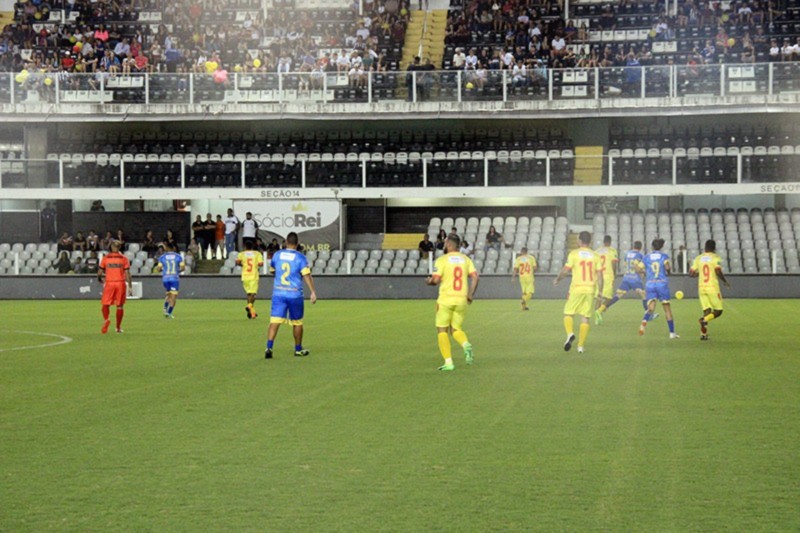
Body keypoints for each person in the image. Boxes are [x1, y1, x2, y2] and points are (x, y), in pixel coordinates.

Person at [425, 233, 478, 371]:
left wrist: (429, 281)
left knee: (442, 330)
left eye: (445, 242)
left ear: (448, 244)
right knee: (456, 329)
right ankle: (465, 344)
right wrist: (470, 294)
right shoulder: (466, 259)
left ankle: (448, 362)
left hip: (445, 300)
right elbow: (475, 277)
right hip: (461, 300)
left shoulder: (442, 260)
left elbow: (435, 280)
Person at [264, 232, 318, 359]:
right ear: (297, 244)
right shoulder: (300, 257)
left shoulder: (277, 255)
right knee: (297, 322)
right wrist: (313, 291)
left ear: (286, 242)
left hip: (279, 293)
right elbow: (306, 275)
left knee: (274, 321)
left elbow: (273, 271)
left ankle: (269, 348)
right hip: (294, 294)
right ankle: (298, 349)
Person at [554, 231, 602, 353]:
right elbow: (600, 276)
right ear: (590, 241)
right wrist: (600, 291)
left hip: (577, 288)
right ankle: (580, 346)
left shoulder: (574, 254)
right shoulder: (596, 256)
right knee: (585, 317)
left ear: (579, 241)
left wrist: (558, 279)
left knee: (568, 313)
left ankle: (570, 333)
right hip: (590, 289)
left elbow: (565, 270)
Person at [596, 240, 656, 321]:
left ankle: (600, 310)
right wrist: (643, 272)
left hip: (626, 278)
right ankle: (649, 315)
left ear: (633, 246)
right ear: (640, 247)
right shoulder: (639, 255)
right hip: (635, 280)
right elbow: (636, 266)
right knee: (644, 296)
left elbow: (625, 265)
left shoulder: (627, 254)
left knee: (617, 296)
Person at [689, 239, 731, 341]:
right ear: (714, 248)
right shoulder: (715, 258)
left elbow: (691, 273)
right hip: (712, 287)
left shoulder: (699, 258)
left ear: (705, 247)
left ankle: (703, 334)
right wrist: (725, 281)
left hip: (701, 288)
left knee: (707, 310)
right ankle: (703, 320)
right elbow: (718, 270)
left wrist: (699, 274)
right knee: (718, 311)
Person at [638, 238, 679, 338]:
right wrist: (668, 272)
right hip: (661, 284)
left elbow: (638, 268)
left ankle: (644, 322)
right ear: (661, 246)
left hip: (650, 284)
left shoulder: (646, 257)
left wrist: (645, 272)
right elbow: (667, 267)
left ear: (652, 246)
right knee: (667, 309)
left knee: (651, 308)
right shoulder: (663, 256)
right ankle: (672, 333)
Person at [98, 240, 132, 334]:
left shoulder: (106, 258)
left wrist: (99, 279)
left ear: (111, 247)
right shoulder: (124, 258)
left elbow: (100, 272)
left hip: (109, 283)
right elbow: (127, 273)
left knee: (105, 304)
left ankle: (106, 319)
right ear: (119, 247)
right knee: (120, 306)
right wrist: (130, 286)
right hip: (120, 283)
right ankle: (118, 327)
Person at [593, 235, 619, 324]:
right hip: (608, 276)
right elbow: (614, 263)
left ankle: (597, 319)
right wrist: (614, 274)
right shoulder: (612, 251)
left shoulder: (597, 251)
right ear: (610, 242)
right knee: (609, 298)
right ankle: (599, 311)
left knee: (599, 297)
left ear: (603, 242)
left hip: (598, 276)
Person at [236, 239, 264, 319]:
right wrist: (256, 264)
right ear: (253, 246)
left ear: (245, 247)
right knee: (253, 294)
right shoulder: (257, 254)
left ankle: (252, 313)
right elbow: (261, 264)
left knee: (249, 294)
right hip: (253, 276)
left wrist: (243, 265)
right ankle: (249, 305)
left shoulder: (241, 254)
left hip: (245, 276)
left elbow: (237, 262)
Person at [155, 242, 185, 319]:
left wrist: (164, 270)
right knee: (173, 297)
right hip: (174, 279)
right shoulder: (178, 256)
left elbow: (158, 269)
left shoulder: (162, 257)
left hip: (165, 279)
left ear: (166, 248)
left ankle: (165, 308)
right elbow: (182, 268)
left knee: (169, 294)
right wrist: (176, 271)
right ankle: (169, 313)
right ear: (174, 248)